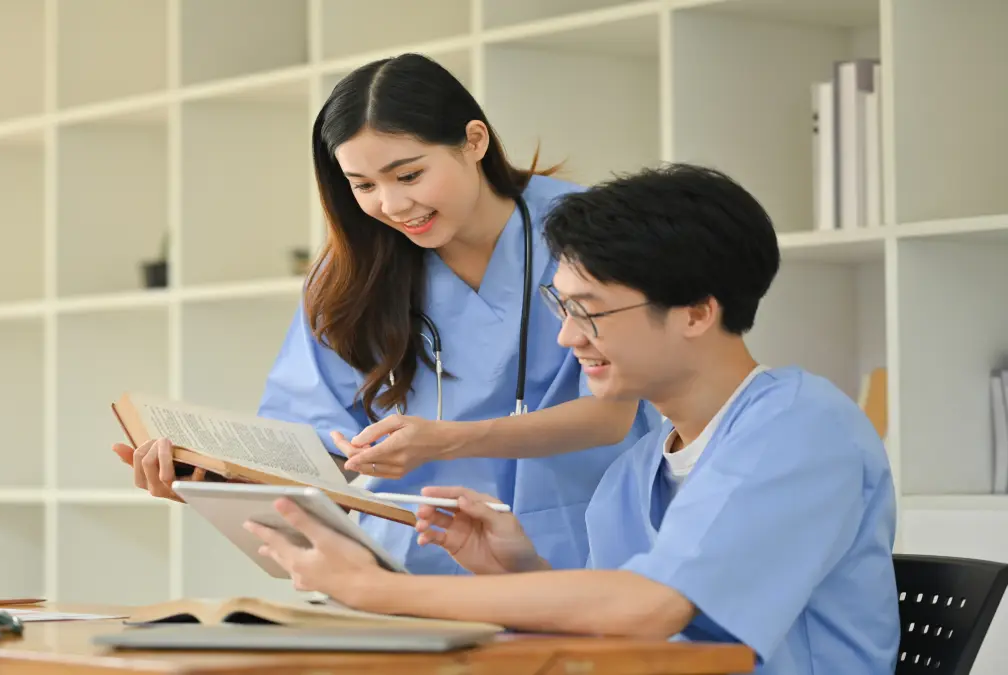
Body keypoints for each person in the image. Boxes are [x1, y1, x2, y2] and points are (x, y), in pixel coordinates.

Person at [243, 163, 901, 674]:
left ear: (697, 312)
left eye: (590, 310)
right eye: (562, 308)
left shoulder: (797, 428)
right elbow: (623, 619)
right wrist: (520, 570)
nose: (567, 338)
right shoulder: (643, 464)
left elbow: (649, 607)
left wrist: (378, 591)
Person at [113, 52, 660, 575]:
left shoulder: (587, 232)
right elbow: (321, 457)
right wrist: (214, 482)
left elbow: (610, 415)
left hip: (580, 557)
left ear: (473, 141)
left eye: (409, 175)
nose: (393, 207)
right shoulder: (349, 274)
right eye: (364, 186)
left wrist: (448, 440)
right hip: (409, 572)